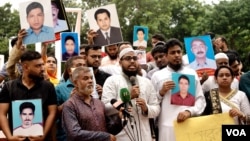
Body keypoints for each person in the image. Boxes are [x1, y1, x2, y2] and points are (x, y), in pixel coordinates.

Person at [151, 38, 206, 141]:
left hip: (189, 124)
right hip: (167, 128)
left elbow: (200, 100)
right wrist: (161, 93)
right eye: (172, 52)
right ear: (166, 56)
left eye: (178, 52)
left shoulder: (191, 73)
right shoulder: (157, 76)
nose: (176, 55)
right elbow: (151, 104)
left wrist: (189, 111)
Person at [101, 47, 160, 141]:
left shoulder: (146, 82)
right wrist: (126, 98)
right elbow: (105, 109)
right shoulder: (112, 81)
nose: (132, 61)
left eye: (135, 58)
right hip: (122, 136)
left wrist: (146, 108)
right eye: (128, 58)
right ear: (120, 62)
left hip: (145, 136)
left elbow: (156, 108)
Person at [0, 50, 57, 141]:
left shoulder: (48, 87)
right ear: (26, 67)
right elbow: (2, 114)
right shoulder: (9, 87)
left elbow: (52, 113)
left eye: (42, 64)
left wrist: (43, 136)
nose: (42, 68)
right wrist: (9, 137)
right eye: (38, 66)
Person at [62, 66, 116, 141]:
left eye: (91, 78)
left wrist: (121, 118)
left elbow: (110, 127)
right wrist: (104, 136)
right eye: (85, 78)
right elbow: (74, 133)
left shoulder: (99, 103)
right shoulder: (70, 105)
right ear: (76, 83)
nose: (90, 81)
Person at [55, 56, 86, 141]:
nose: (82, 68)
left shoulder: (91, 87)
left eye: (84, 65)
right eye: (79, 65)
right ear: (69, 71)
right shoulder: (59, 89)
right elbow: (54, 114)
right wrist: (70, 100)